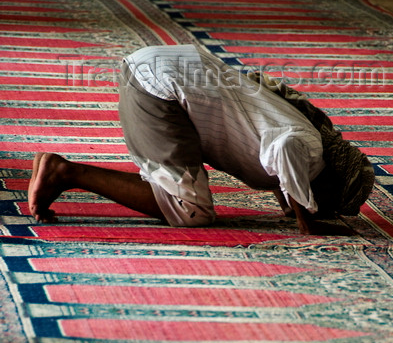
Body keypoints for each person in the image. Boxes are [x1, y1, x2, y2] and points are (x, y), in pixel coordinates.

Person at [28, 44, 374, 234]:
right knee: (191, 211)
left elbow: (278, 159)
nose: (326, 209)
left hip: (167, 69)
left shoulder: (310, 139)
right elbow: (285, 149)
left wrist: (290, 203)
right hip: (164, 89)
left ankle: (58, 169)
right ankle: (65, 172)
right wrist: (307, 220)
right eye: (331, 203)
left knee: (180, 186)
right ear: (331, 181)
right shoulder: (311, 149)